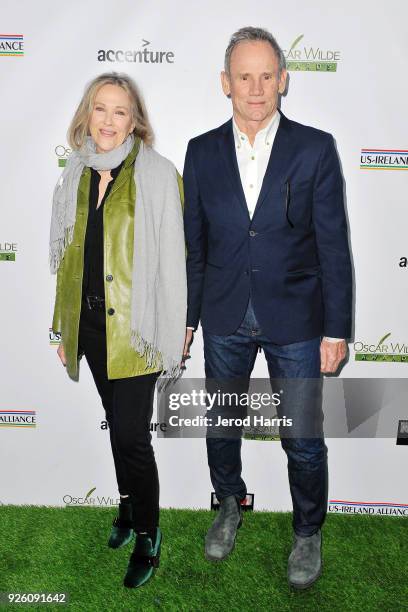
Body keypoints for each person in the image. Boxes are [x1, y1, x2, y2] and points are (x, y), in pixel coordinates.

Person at [183, 27, 352, 589]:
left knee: (303, 437)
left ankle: (308, 532)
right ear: (225, 84)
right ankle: (229, 504)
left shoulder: (315, 147)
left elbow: (334, 244)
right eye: (243, 77)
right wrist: (188, 320)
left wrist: (336, 328)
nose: (255, 89)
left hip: (298, 319)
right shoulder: (201, 151)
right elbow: (195, 246)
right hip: (224, 313)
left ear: (283, 80)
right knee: (221, 424)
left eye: (265, 76)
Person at [50, 72, 186, 589]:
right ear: (87, 114)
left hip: (138, 331)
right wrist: (63, 329)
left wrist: (179, 328)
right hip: (88, 327)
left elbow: (176, 259)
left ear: (136, 121)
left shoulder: (156, 174)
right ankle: (127, 510)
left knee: (131, 438)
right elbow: (68, 258)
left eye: (120, 112)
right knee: (114, 423)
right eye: (100, 109)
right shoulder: (75, 173)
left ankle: (149, 535)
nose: (108, 121)